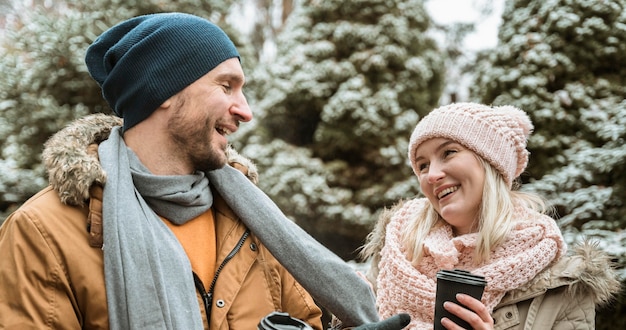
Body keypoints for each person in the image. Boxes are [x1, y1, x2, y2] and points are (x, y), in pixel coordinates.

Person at [0, 12, 407, 330]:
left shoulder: (253, 221)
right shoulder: (43, 232)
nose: (245, 111)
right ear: (162, 91)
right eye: (226, 86)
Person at [359, 102, 621, 329]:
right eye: (423, 165)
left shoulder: (562, 285)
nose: (432, 175)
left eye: (448, 152)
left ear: (491, 162)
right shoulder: (397, 253)